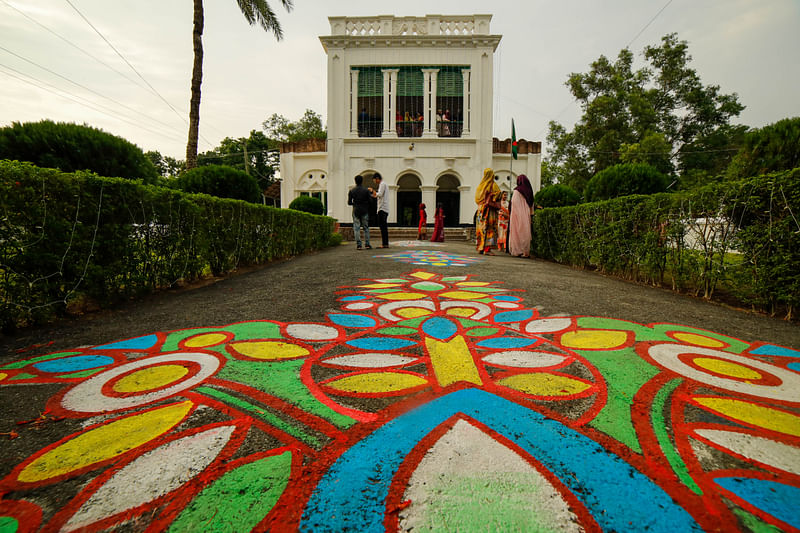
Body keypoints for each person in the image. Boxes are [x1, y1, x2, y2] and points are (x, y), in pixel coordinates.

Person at [475, 167, 502, 255]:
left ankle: (480, 247)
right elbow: (498, 196)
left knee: (481, 229)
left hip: (480, 210)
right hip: (489, 211)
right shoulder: (493, 185)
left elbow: (477, 199)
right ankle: (487, 249)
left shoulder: (480, 186)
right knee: (490, 228)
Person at [509, 174, 534, 257]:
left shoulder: (517, 191)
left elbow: (514, 203)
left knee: (517, 231)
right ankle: (526, 251)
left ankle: (518, 250)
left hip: (516, 215)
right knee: (525, 231)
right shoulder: (529, 191)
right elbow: (531, 204)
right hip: (526, 214)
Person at [347, 175, 372, 250]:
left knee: (356, 228)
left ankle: (359, 245)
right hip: (364, 210)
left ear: (355, 181)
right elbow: (371, 201)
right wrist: (365, 204)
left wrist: (355, 204)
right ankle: (367, 244)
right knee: (366, 228)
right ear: (362, 181)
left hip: (356, 210)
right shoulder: (366, 190)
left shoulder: (352, 191)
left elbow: (349, 202)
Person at [372, 173, 389, 248]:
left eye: (374, 180)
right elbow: (378, 195)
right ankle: (385, 243)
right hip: (383, 208)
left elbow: (380, 194)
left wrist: (372, 191)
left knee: (383, 227)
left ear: (377, 178)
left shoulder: (382, 184)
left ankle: (385, 244)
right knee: (383, 227)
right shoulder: (383, 184)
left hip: (382, 208)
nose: (374, 181)